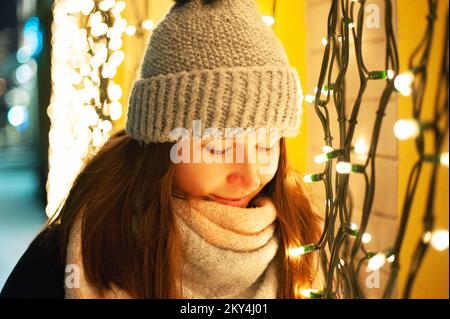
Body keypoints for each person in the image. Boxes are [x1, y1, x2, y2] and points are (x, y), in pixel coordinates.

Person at [1, 0, 323, 299]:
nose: (250, 176)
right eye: (219, 150)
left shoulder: (303, 238)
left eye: (266, 147)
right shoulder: (72, 256)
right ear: (162, 147)